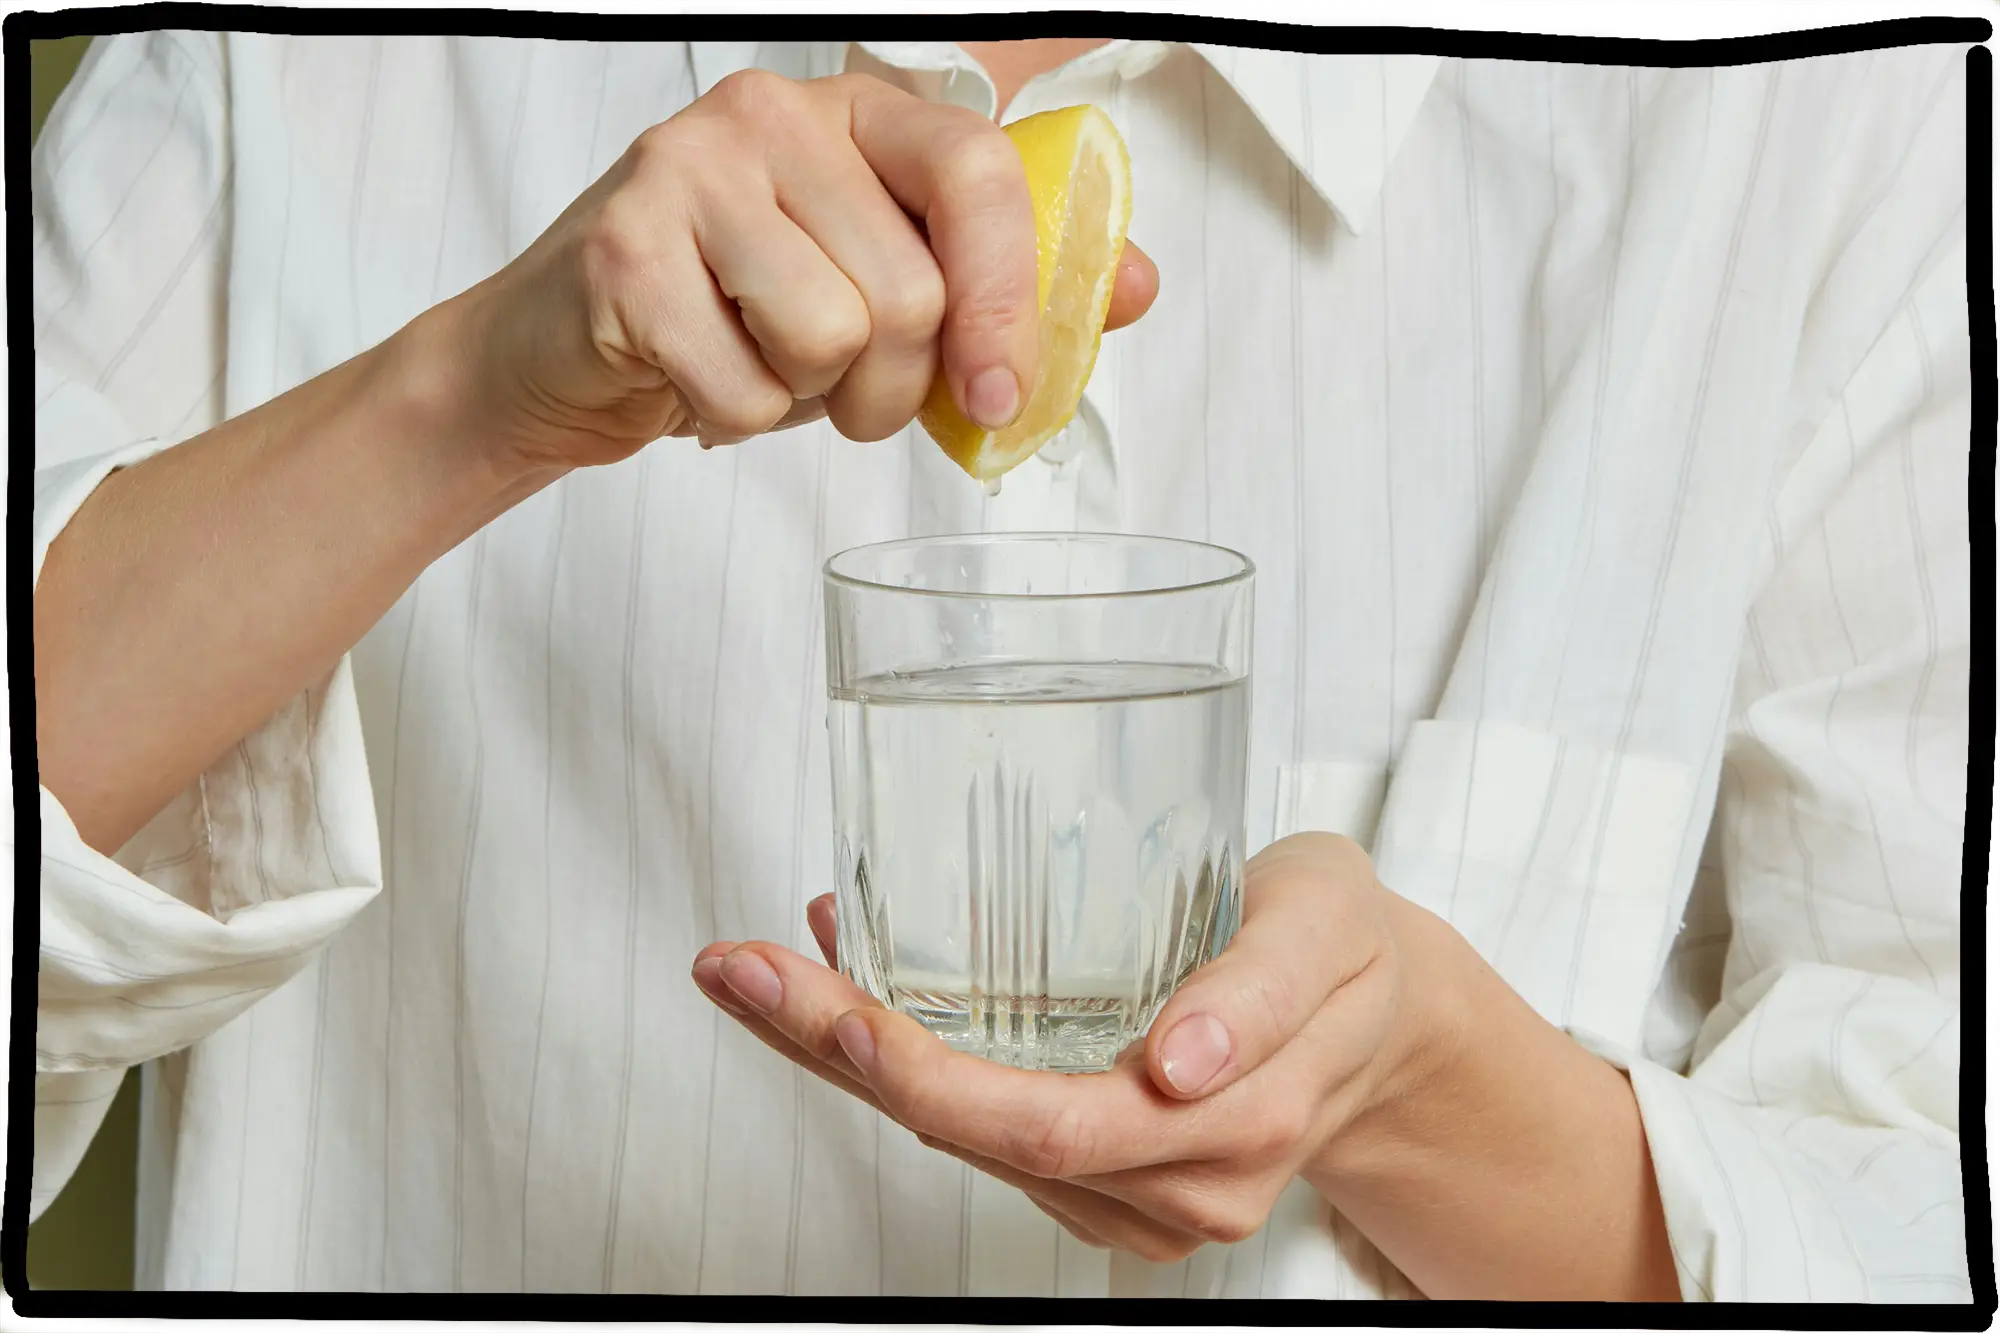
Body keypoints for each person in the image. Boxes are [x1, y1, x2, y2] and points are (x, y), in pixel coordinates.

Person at [8, 0, 1974, 1310]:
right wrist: (458, 400)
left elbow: (1921, 1209)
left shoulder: (1822, 99)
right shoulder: (276, 55)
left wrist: (1429, 1092)